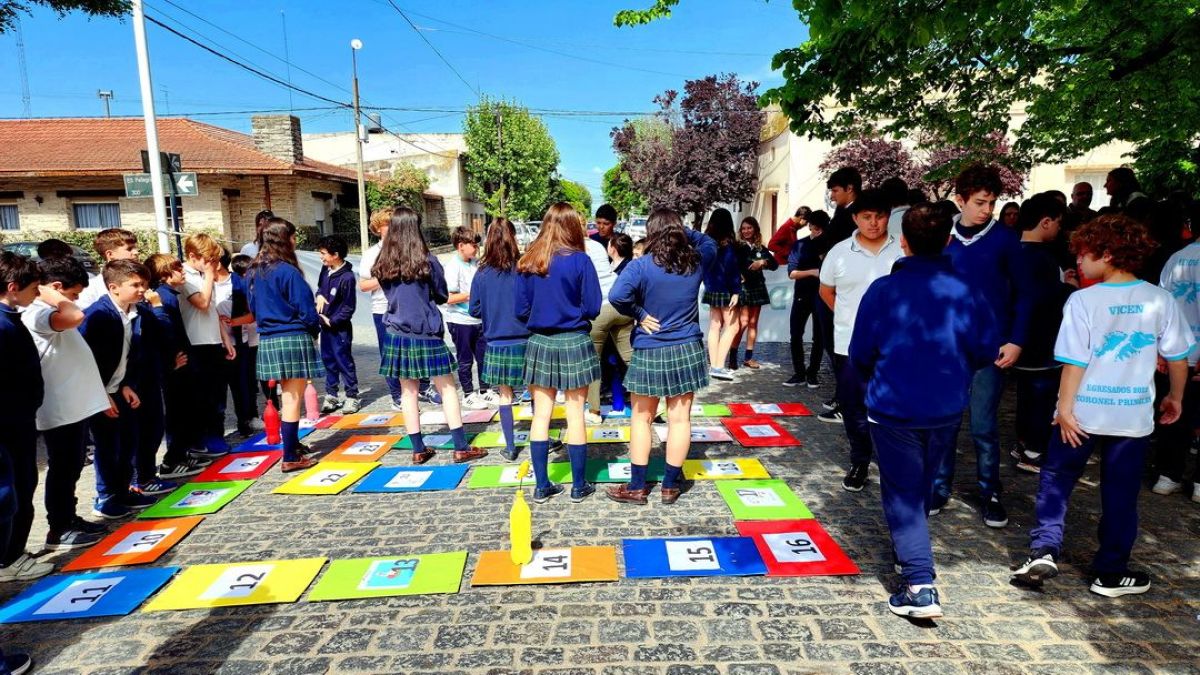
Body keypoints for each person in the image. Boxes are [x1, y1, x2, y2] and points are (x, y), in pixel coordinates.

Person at [1012, 214, 1193, 597]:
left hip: (1081, 413)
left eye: (1084, 253)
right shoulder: (1160, 300)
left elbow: (1074, 362)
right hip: (1132, 416)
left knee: (1056, 481)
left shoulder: (1082, 300)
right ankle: (1110, 571)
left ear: (1107, 254)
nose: (1078, 260)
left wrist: (1063, 409)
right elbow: (1178, 358)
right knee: (1121, 495)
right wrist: (1174, 397)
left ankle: (1044, 549)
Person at [850, 203, 999, 618]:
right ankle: (909, 552)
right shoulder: (966, 290)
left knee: (903, 491)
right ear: (948, 240)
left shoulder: (883, 290)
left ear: (903, 242)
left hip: (894, 404)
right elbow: (987, 348)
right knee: (919, 485)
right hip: (945, 403)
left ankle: (919, 583)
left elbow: (860, 353)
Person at [934, 164, 1034, 528]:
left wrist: (1017, 339)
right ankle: (939, 486)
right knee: (944, 421)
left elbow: (1025, 294)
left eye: (991, 202)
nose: (986, 210)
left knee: (983, 425)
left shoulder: (1006, 239)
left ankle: (990, 490)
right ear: (959, 200)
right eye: (979, 202)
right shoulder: (943, 237)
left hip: (992, 346)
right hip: (948, 346)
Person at [606, 209, 715, 505]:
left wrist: (639, 314)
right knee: (680, 420)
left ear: (651, 233)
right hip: (686, 348)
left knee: (641, 419)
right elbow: (709, 242)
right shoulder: (694, 262)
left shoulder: (640, 266)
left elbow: (617, 296)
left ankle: (638, 487)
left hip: (650, 347)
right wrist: (680, 231)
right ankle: (669, 486)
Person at [374, 208, 488, 466]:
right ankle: (460, 446)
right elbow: (442, 296)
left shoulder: (383, 261)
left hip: (396, 332)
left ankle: (418, 449)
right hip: (426, 332)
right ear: (416, 228)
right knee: (446, 388)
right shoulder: (427, 260)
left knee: (408, 392)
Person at [818, 189, 904, 491]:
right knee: (854, 406)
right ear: (855, 218)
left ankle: (893, 463)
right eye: (866, 217)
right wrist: (847, 317)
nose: (873, 223)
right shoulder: (839, 252)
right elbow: (826, 291)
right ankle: (860, 460)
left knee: (892, 405)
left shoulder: (902, 250)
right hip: (848, 345)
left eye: (879, 216)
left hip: (894, 347)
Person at [516, 202, 602, 504]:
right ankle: (579, 486)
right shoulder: (581, 261)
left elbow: (520, 310)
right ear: (573, 227)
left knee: (541, 415)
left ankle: (542, 486)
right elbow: (593, 307)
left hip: (539, 341)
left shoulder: (528, 261)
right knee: (576, 413)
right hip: (575, 340)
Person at [23, 256, 110, 551]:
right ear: (57, 288)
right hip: (59, 408)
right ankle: (59, 527)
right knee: (62, 467)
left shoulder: (48, 308)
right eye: (73, 294)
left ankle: (69, 516)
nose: (75, 301)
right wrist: (52, 295)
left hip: (75, 405)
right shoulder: (37, 312)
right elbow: (75, 317)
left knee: (71, 466)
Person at [80, 260, 158, 519]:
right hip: (98, 390)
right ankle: (106, 496)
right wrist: (101, 393)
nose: (141, 290)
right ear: (113, 287)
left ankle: (124, 489)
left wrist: (127, 385)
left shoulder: (134, 313)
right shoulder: (98, 315)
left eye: (143, 284)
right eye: (134, 285)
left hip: (119, 387)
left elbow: (131, 353)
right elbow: (87, 359)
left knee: (127, 442)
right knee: (106, 446)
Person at [245, 219, 322, 473]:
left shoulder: (253, 271)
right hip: (292, 335)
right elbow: (306, 308)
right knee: (292, 398)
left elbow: (253, 308)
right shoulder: (287, 271)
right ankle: (290, 456)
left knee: (287, 398)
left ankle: (293, 445)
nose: (295, 241)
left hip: (267, 337)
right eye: (292, 236)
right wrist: (314, 330)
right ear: (283, 239)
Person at [1011, 194, 1075, 474]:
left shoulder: (1011, 252)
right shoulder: (1044, 260)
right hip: (1042, 342)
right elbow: (1047, 298)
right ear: (1045, 222)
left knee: (1025, 396)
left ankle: (1023, 442)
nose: (1060, 228)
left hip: (1017, 339)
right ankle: (1034, 450)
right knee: (1042, 397)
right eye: (1058, 223)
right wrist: (1069, 287)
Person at [0, 252, 52, 580]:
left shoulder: (9, 317)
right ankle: (10, 557)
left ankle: (11, 552)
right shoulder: (3, 325)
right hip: (9, 422)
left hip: (19, 418)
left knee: (21, 484)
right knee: (15, 488)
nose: (38, 293)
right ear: (13, 286)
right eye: (34, 287)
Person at [470, 220, 532, 461]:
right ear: (513, 237)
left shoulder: (482, 272)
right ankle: (544, 438)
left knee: (505, 395)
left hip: (496, 341)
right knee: (537, 392)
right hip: (526, 338)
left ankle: (510, 446)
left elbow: (474, 309)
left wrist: (490, 310)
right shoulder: (524, 267)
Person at [144, 254, 206, 480]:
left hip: (181, 360)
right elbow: (165, 331)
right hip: (175, 365)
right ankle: (173, 459)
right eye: (177, 269)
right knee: (178, 412)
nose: (182, 272)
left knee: (185, 409)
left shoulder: (171, 295)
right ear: (164, 274)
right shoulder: (163, 297)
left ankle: (182, 452)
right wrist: (172, 361)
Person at [1152, 229, 1200, 501]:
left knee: (1172, 410)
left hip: (1174, 351)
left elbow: (1161, 306)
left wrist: (1160, 348)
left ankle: (1167, 475)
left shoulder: (1176, 259)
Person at [179, 233, 236, 460]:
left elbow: (212, 309)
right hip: (196, 343)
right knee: (201, 397)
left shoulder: (204, 275)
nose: (214, 263)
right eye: (209, 258)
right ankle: (200, 440)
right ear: (193, 256)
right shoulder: (185, 276)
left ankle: (216, 436)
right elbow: (202, 303)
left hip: (213, 341)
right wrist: (210, 276)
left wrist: (225, 338)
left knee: (218, 395)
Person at [585, 217, 633, 422]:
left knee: (593, 361)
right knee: (631, 356)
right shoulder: (596, 246)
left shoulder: (575, 250)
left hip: (600, 309)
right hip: (622, 307)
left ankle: (594, 410)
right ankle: (653, 402)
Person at [359, 206, 404, 410]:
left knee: (409, 349)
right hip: (382, 308)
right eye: (387, 226)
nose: (391, 229)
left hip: (405, 306)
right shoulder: (371, 254)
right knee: (389, 352)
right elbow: (364, 285)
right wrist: (385, 278)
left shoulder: (405, 248)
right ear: (378, 229)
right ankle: (396, 394)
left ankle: (421, 386)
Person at [444, 226, 489, 409]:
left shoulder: (475, 263)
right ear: (460, 245)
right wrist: (472, 295)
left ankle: (486, 390)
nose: (476, 248)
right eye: (473, 244)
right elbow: (448, 298)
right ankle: (468, 393)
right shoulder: (452, 267)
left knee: (483, 357)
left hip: (478, 319)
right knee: (465, 360)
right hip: (460, 320)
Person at [315, 234, 360, 414]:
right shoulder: (325, 270)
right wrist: (318, 295)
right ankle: (331, 394)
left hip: (339, 329)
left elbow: (349, 307)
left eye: (324, 253)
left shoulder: (347, 277)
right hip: (324, 327)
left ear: (336, 254)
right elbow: (319, 288)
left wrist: (332, 321)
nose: (321, 257)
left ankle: (352, 396)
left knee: (343, 361)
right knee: (328, 360)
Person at [214, 248, 257, 437]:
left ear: (217, 263)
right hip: (214, 345)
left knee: (241, 386)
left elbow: (253, 313)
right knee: (218, 390)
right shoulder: (201, 284)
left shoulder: (238, 282)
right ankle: (217, 430)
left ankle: (245, 421)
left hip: (239, 342)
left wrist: (233, 322)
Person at [785, 210, 829, 388]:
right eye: (813, 227)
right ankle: (799, 372)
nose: (815, 230)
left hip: (822, 295)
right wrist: (812, 272)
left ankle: (813, 373)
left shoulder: (829, 245)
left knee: (819, 336)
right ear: (809, 225)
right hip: (802, 295)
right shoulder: (800, 245)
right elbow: (791, 273)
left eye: (819, 228)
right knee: (796, 334)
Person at [729, 216, 778, 369]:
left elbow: (775, 264)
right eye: (743, 228)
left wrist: (763, 262)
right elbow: (730, 265)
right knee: (742, 322)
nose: (746, 231)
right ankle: (732, 356)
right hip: (743, 288)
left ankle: (748, 358)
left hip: (757, 286)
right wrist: (737, 276)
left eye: (749, 228)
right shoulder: (737, 247)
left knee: (753, 323)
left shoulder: (760, 248)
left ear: (755, 229)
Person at [702, 208, 742, 381]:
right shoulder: (728, 246)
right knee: (733, 326)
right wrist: (736, 292)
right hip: (726, 289)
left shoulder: (707, 243)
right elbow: (732, 271)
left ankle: (714, 365)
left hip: (711, 287)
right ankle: (718, 366)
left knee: (714, 326)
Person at [77, 228, 140, 309]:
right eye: (129, 249)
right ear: (110, 254)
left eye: (135, 248)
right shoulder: (90, 290)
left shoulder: (141, 283)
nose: (136, 252)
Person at [826, 167, 861, 243]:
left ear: (849, 189)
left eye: (835, 191)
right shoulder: (841, 211)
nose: (831, 196)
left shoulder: (861, 212)